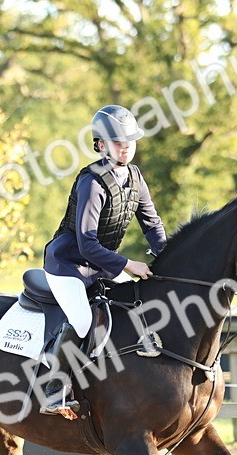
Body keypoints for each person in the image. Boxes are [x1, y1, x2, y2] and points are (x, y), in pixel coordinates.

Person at [39, 104, 167, 415]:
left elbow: (152, 225)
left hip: (100, 265)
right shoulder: (92, 182)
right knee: (83, 319)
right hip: (68, 263)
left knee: (136, 299)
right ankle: (54, 389)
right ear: (101, 145)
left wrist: (168, 258)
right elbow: (86, 244)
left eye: (130, 141)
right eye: (118, 142)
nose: (126, 147)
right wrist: (128, 265)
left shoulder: (135, 177)